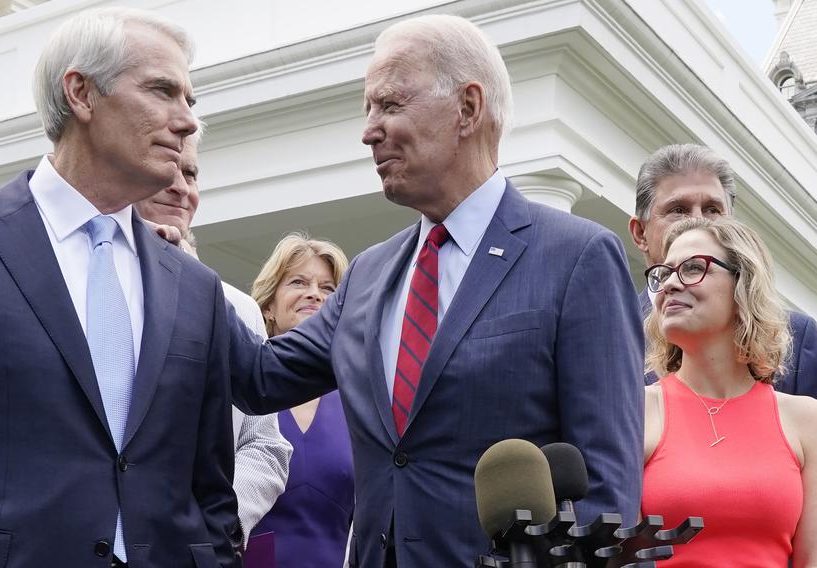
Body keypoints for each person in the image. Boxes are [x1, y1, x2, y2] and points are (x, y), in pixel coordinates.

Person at [225, 14, 644, 567]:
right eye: (367, 109)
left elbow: (607, 484)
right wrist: (165, 265)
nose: (369, 130)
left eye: (390, 105)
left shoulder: (576, 257)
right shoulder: (370, 274)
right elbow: (258, 377)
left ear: (468, 108)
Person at [0, 8, 240, 566]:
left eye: (191, 101)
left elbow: (211, 485)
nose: (187, 123)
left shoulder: (196, 286)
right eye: (163, 91)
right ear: (81, 93)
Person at [134, 129, 292, 552]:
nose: (181, 188)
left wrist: (212, 526)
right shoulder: (91, 289)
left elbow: (266, 445)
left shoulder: (238, 309)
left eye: (190, 174)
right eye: (167, 171)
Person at [641, 216, 816, 566]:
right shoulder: (636, 410)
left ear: (743, 286)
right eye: (664, 273)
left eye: (692, 268)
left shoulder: (806, 420)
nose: (671, 284)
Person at [629, 143, 817, 396]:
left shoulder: (797, 336)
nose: (698, 221)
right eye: (678, 210)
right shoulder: (610, 335)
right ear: (640, 233)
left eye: (712, 209)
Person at [247, 233, 354, 568]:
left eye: (328, 288)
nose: (314, 294)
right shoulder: (240, 391)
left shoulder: (359, 398)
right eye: (298, 282)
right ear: (268, 306)